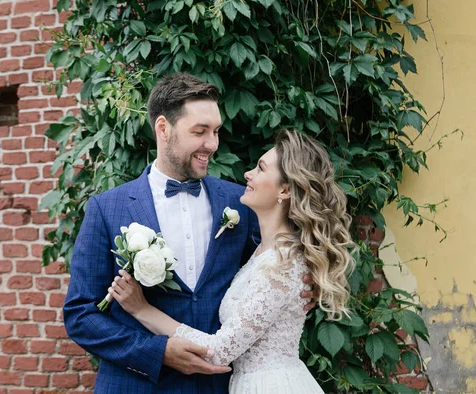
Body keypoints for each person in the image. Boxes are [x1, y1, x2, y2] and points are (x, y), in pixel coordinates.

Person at [63, 73, 316, 393]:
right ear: (163, 128)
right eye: (200, 131)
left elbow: (278, 268)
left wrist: (311, 281)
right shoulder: (107, 208)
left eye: (216, 131)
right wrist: (157, 352)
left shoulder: (239, 203)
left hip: (217, 386)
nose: (212, 144)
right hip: (137, 385)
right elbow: (80, 315)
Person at [109, 129, 356, 394]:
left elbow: (217, 351)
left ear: (285, 189)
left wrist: (141, 310)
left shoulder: (283, 265)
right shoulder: (264, 250)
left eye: (261, 169)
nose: (248, 174)